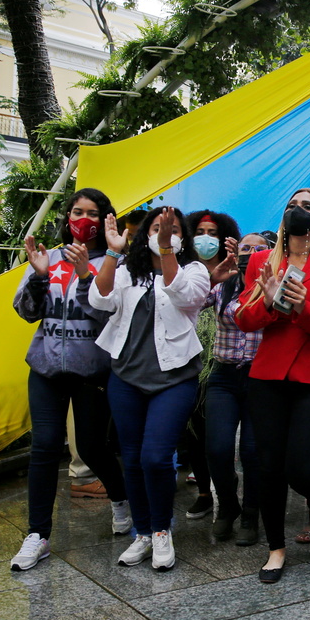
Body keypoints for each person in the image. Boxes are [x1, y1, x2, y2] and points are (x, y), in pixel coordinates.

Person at [235, 188, 310, 584]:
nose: (297, 211)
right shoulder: (262, 262)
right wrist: (269, 303)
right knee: (268, 465)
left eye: (307, 206)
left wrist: (303, 307)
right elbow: (243, 319)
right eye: (291, 205)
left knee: (304, 463)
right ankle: (275, 548)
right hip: (268, 377)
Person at [8, 189, 131, 571]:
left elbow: (109, 317)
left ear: (105, 220)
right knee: (45, 446)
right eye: (77, 211)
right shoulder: (48, 257)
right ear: (67, 216)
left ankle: (120, 499)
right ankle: (37, 535)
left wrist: (84, 276)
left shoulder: (116, 263)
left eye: (92, 213)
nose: (83, 219)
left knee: (93, 448)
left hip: (91, 371)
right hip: (45, 367)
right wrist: (39, 277)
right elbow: (27, 312)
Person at [91, 206, 211, 572]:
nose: (163, 233)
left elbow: (184, 297)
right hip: (126, 377)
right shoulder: (128, 271)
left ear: (182, 237)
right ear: (144, 235)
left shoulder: (194, 270)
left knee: (155, 457)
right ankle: (142, 533)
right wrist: (112, 252)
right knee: (131, 458)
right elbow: (100, 299)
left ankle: (161, 530)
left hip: (174, 378)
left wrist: (167, 249)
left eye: (172, 229)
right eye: (156, 228)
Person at [202, 231, 267, 543]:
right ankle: (228, 506)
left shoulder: (272, 285)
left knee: (253, 452)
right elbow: (189, 303)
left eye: (258, 248)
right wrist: (212, 277)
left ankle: (251, 513)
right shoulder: (223, 285)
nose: (250, 253)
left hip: (260, 377)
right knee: (217, 447)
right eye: (245, 247)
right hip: (223, 376)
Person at [181, 209, 243, 522]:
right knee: (193, 432)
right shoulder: (182, 271)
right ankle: (205, 492)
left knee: (215, 437)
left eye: (213, 233)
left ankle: (226, 486)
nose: (206, 238)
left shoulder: (237, 274)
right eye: (200, 232)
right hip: (186, 362)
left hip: (221, 365)